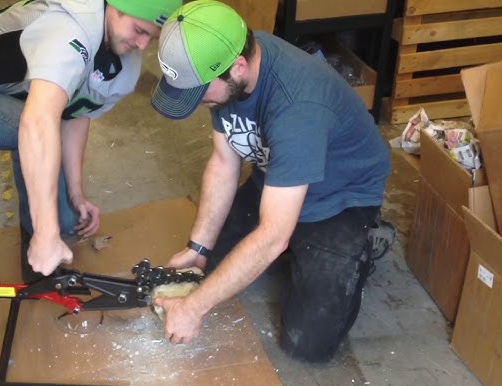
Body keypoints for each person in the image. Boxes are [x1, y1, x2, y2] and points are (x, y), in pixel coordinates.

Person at [150, 0, 394, 363]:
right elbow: (222, 160)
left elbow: (273, 235)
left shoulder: (298, 109)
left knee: (306, 345)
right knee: (209, 271)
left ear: (238, 68)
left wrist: (193, 309)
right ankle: (284, 248)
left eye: (198, 91)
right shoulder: (229, 55)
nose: (196, 102)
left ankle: (362, 244)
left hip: (337, 198)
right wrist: (198, 248)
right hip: (278, 178)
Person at [0, 0, 181, 283]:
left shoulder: (122, 63)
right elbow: (38, 123)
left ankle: (43, 225)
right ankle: (35, 242)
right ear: (114, 6)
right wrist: (45, 234)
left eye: (151, 37)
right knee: (32, 134)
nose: (142, 45)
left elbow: (75, 115)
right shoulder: (70, 28)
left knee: (66, 221)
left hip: (25, 96)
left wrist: (77, 193)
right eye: (139, 30)